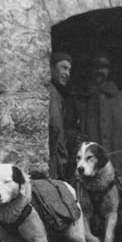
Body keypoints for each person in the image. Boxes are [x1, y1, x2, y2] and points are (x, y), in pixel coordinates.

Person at [65, 52, 122, 182]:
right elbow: (64, 128)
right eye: (95, 67)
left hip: (120, 166)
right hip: (88, 168)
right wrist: (74, 136)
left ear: (110, 71)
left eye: (104, 67)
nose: (99, 71)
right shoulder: (78, 99)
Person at [47, 51, 71, 180]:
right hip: (53, 162)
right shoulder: (52, 93)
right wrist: (62, 160)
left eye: (69, 70)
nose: (67, 74)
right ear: (51, 68)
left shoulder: (56, 94)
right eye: (63, 68)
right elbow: (56, 128)